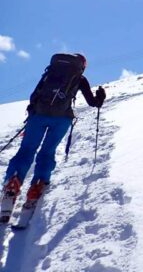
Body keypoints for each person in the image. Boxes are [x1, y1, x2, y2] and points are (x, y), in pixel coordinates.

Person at [2, 53, 105, 209]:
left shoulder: (50, 73)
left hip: (38, 116)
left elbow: (35, 95)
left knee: (27, 150)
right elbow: (93, 102)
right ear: (82, 66)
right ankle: (38, 184)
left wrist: (33, 112)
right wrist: (100, 97)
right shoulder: (79, 78)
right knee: (47, 151)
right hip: (62, 119)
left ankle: (13, 182)